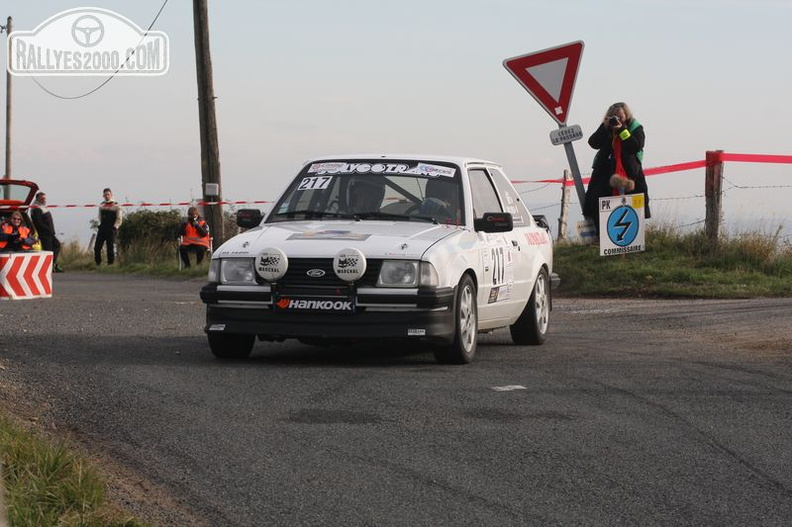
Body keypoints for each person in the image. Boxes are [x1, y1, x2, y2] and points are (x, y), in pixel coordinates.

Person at [583, 102, 650, 235]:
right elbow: (593, 143)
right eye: (614, 117)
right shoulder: (607, 127)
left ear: (627, 115)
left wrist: (622, 130)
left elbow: (635, 146)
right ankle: (601, 236)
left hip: (629, 173)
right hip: (604, 171)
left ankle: (632, 236)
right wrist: (605, 127)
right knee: (596, 200)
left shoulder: (635, 127)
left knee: (631, 203)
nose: (617, 120)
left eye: (620, 116)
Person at [31, 192, 64, 272]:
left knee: (57, 245)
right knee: (48, 250)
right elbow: (39, 223)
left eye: (44, 198)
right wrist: (48, 229)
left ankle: (53, 263)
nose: (44, 200)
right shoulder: (36, 208)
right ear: (37, 198)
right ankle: (49, 266)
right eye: (42, 198)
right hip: (44, 233)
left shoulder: (42, 207)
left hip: (49, 233)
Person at [94, 188, 123, 265]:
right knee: (97, 247)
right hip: (102, 228)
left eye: (108, 194)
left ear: (111, 195)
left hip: (111, 229)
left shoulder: (116, 206)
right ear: (103, 195)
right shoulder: (101, 205)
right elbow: (99, 217)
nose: (106, 196)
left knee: (110, 247)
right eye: (105, 194)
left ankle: (110, 264)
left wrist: (115, 227)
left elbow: (119, 219)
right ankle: (98, 263)